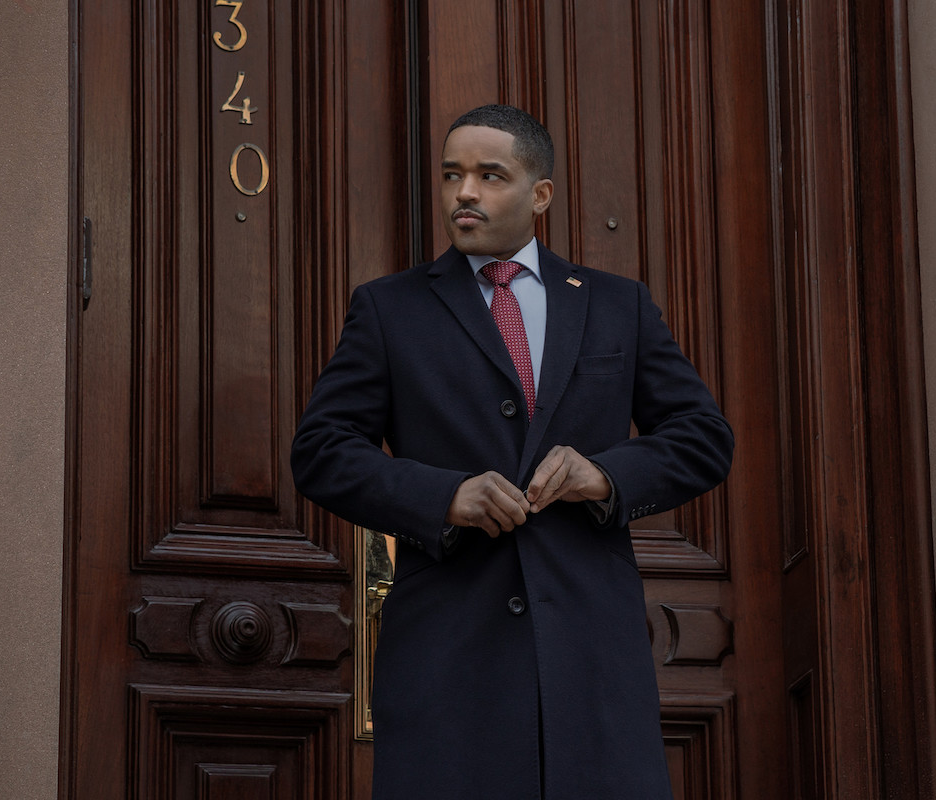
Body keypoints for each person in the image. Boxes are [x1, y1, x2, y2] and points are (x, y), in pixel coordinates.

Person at [290, 104, 733, 800]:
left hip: (589, 658)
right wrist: (443, 496)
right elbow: (320, 450)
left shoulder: (618, 305)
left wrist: (606, 476)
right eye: (451, 175)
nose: (464, 192)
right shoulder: (388, 309)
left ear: (540, 194)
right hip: (449, 658)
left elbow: (703, 437)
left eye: (489, 175)